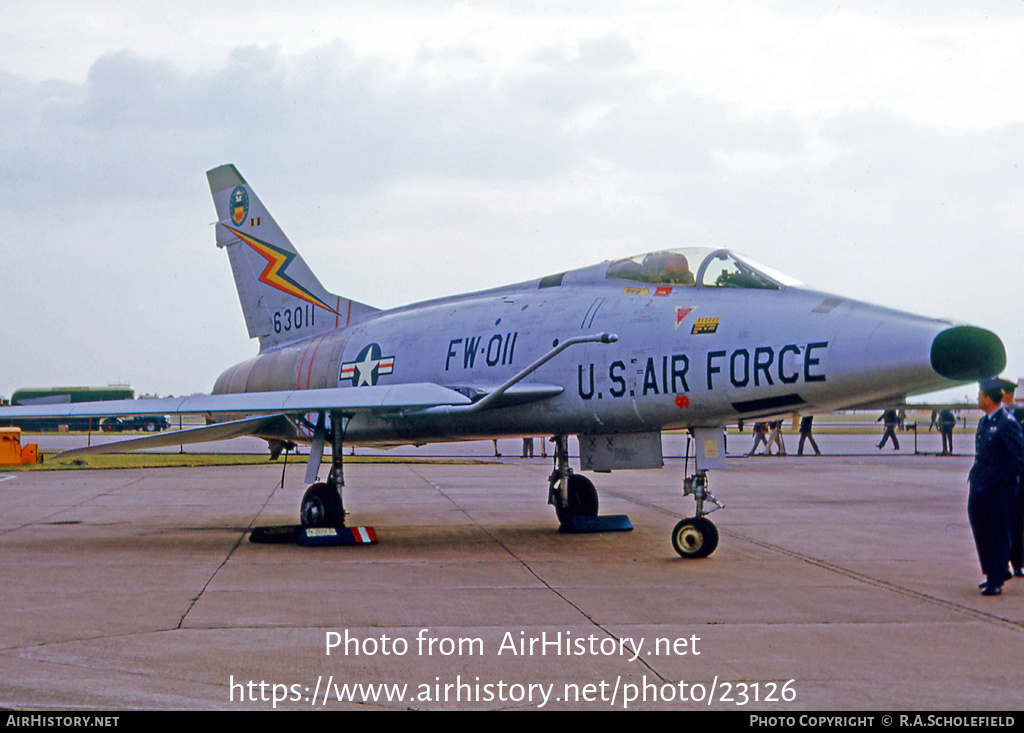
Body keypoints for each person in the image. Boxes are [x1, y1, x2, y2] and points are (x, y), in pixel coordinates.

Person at [967, 379, 1024, 596]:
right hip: (980, 486)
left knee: (998, 533)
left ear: (988, 399)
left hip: (999, 490)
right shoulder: (984, 422)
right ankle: (994, 571)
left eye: (980, 395)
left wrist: (1001, 482)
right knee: (981, 530)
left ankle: (995, 580)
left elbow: (1018, 458)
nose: (978, 399)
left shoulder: (1007, 423)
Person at [995, 378, 1024, 577]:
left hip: (1017, 476)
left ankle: (1017, 563)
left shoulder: (1018, 413)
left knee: (1016, 522)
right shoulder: (997, 415)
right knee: (1003, 523)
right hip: (1004, 477)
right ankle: (1004, 564)